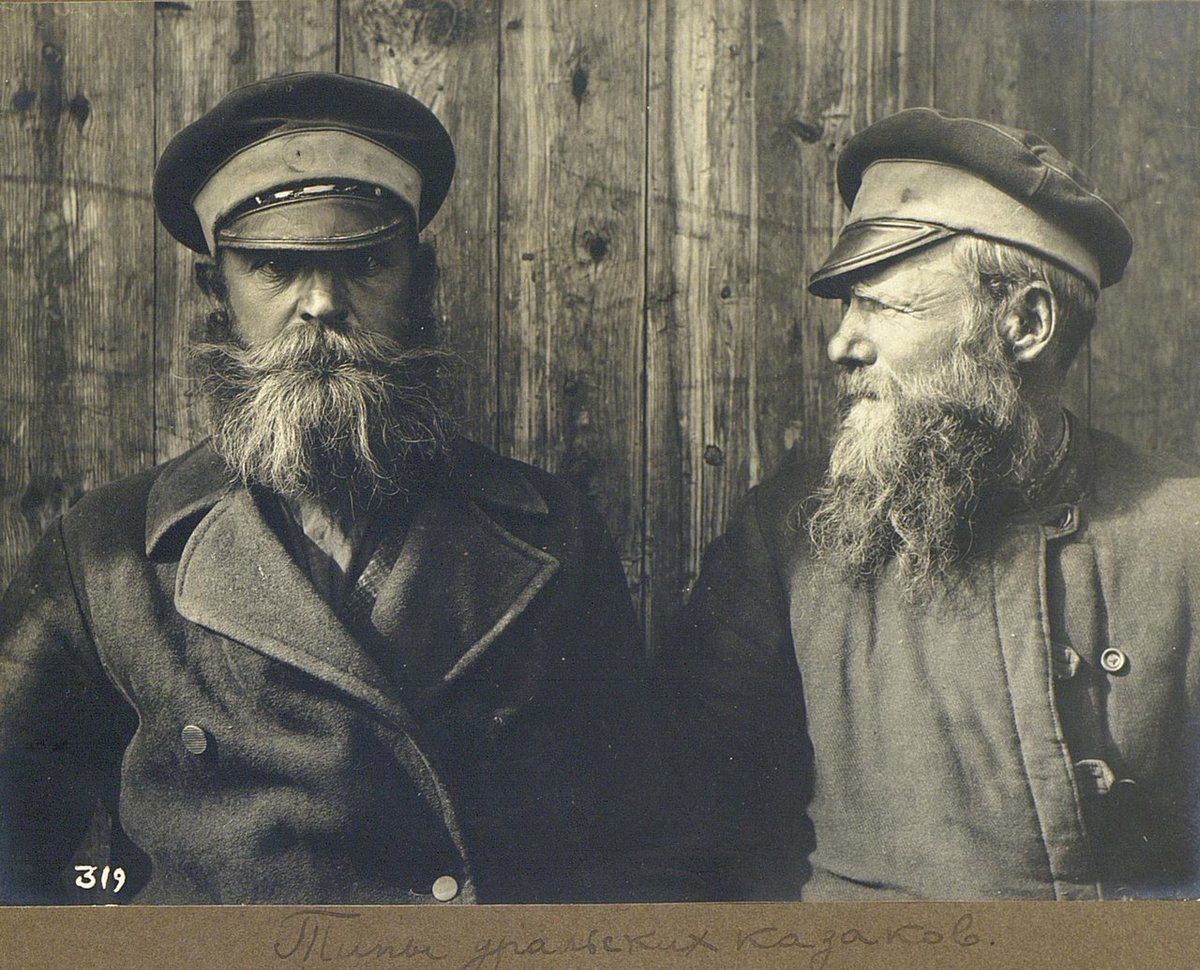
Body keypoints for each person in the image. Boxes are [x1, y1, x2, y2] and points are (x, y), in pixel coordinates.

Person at [0, 72, 667, 905]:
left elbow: (637, 846)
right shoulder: (105, 556)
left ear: (421, 280)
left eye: (365, 262)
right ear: (217, 294)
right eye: (276, 267)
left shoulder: (551, 533)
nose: (322, 303)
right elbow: (17, 840)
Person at [658, 107, 1200, 901]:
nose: (841, 343)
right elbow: (691, 835)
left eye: (881, 306)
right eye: (848, 307)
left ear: (1024, 324)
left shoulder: (1182, 533)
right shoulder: (786, 536)